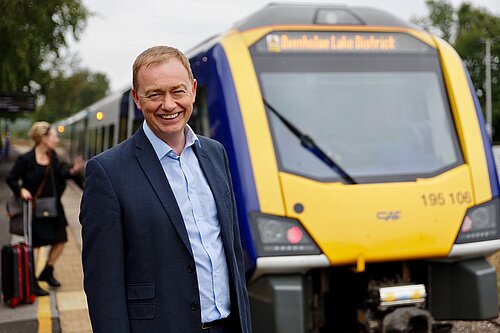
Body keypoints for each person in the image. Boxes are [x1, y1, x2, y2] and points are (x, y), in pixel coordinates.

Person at [80, 46, 251, 333]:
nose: (169, 104)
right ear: (137, 98)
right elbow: (103, 287)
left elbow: (229, 249)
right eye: (155, 94)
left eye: (178, 91)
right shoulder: (107, 172)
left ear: (193, 90)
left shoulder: (215, 153)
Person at [6, 121, 83, 296]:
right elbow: (11, 179)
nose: (57, 139)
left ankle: (46, 271)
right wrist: (21, 190)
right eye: (54, 136)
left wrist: (71, 172)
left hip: (54, 207)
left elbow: (58, 176)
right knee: (35, 246)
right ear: (43, 138)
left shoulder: (53, 156)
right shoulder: (25, 160)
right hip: (34, 209)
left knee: (61, 240)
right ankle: (31, 281)